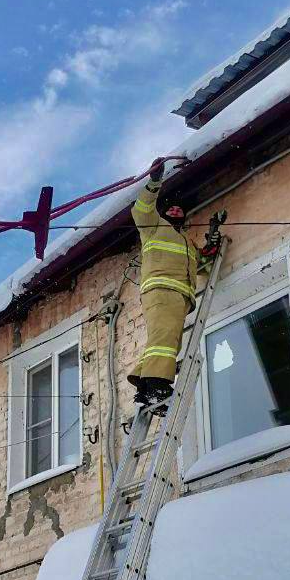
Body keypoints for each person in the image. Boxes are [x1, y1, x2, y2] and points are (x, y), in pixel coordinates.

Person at [128, 157, 221, 407]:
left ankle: (145, 382)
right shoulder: (154, 227)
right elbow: (141, 210)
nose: (176, 210)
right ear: (164, 211)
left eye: (180, 208)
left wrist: (212, 243)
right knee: (166, 338)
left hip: (178, 297)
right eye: (171, 207)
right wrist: (154, 183)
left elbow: (201, 266)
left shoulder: (187, 243)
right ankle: (157, 384)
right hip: (162, 290)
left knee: (167, 340)